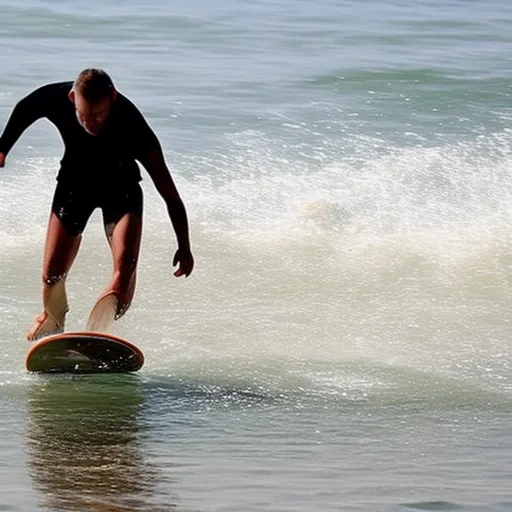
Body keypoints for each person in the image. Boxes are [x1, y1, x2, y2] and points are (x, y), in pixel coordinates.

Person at [0, 68, 194, 340]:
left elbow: (170, 195)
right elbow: (25, 108)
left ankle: (97, 335)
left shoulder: (134, 126)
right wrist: (3, 148)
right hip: (74, 185)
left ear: (112, 98)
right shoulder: (57, 98)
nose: (91, 123)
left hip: (121, 191)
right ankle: (53, 318)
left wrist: (184, 246)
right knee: (51, 277)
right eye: (84, 115)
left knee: (124, 267)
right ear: (72, 99)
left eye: (99, 114)